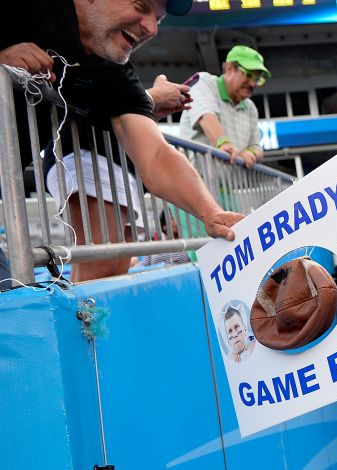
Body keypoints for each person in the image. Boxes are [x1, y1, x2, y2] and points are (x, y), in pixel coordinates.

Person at [1, 0, 242, 283]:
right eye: (141, 5)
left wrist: (210, 212)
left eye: (159, 19)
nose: (151, 28)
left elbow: (156, 156)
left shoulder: (113, 71)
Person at [178, 45, 268, 168]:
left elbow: (257, 148)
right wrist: (223, 143)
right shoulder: (203, 82)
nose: (252, 83)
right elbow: (206, 116)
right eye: (248, 75)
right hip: (194, 181)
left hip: (232, 185)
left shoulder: (250, 107)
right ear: (229, 68)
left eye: (257, 79)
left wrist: (250, 153)